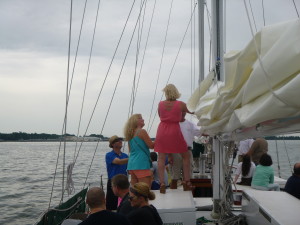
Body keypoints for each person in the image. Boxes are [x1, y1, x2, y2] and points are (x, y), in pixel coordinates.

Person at [154, 84, 194, 193]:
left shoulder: (160, 104)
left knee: (161, 158)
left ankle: (162, 183)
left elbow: (161, 116)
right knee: (185, 156)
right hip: (174, 130)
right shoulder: (180, 104)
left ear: (166, 92)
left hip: (162, 130)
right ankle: (187, 182)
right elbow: (192, 111)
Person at [169, 111, 201, 189]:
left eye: (183, 111)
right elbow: (169, 140)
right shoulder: (172, 124)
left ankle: (186, 187)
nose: (182, 113)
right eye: (180, 111)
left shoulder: (190, 124)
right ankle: (173, 191)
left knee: (188, 172)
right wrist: (169, 155)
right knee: (174, 175)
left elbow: (200, 132)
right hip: (175, 151)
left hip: (187, 150)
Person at [124, 114, 155, 187]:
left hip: (132, 164)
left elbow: (131, 150)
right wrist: (160, 139)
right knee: (145, 188)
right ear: (135, 121)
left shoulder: (129, 135)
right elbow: (151, 146)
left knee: (135, 189)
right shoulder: (142, 131)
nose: (143, 119)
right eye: (140, 118)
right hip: (142, 163)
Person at [105, 135, 129, 211]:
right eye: (117, 140)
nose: (120, 141)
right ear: (112, 144)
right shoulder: (109, 155)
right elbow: (118, 162)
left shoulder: (125, 155)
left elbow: (129, 169)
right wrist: (133, 158)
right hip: (113, 183)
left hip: (124, 182)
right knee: (111, 205)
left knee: (125, 202)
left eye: (120, 140)